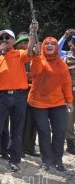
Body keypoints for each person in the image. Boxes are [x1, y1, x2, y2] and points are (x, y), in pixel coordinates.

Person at [0, 22, 39, 171]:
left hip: (19, 95)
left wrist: (32, 32)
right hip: (0, 96)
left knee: (16, 130)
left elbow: (31, 53)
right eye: (1, 37)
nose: (4, 40)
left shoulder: (19, 54)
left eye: (7, 37)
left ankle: (14, 160)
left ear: (13, 41)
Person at [28, 37, 73, 171]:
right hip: (38, 102)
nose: (49, 45)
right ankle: (46, 160)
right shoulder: (38, 60)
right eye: (46, 44)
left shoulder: (62, 64)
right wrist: (36, 56)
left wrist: (69, 101)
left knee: (59, 132)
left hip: (58, 103)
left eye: (52, 44)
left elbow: (66, 84)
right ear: (42, 47)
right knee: (44, 132)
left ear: (56, 47)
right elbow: (35, 71)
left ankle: (57, 161)